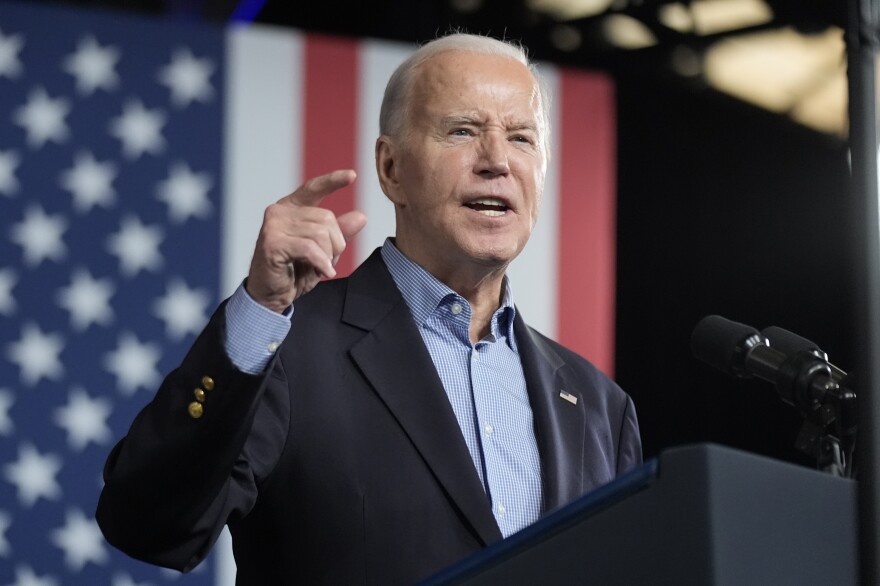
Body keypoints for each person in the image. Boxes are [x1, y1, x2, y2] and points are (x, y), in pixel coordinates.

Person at [97, 33, 642, 585]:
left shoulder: (601, 408)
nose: (497, 161)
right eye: (462, 131)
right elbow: (149, 525)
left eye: (522, 138)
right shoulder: (288, 349)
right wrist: (260, 308)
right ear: (391, 169)